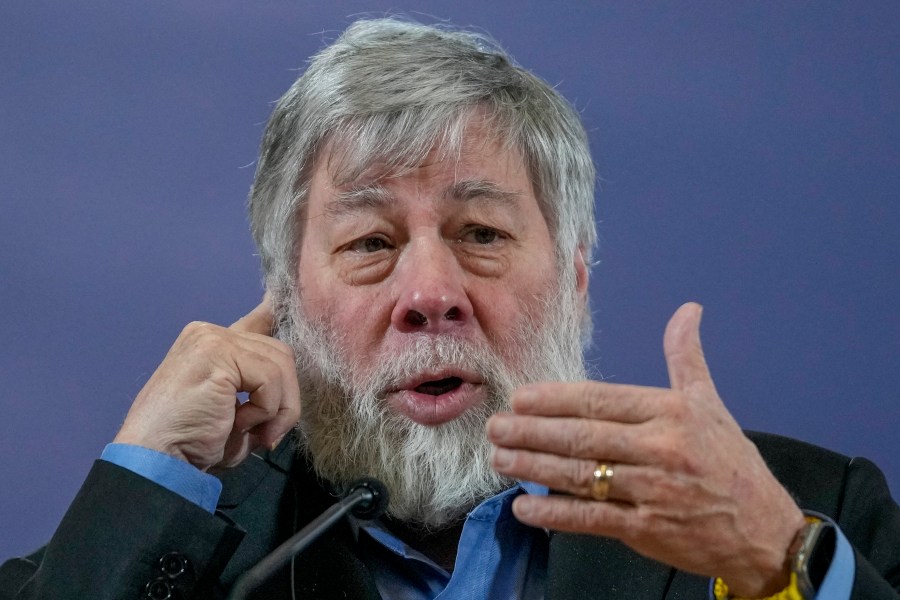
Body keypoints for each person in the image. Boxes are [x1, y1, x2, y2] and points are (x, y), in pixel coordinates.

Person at [2, 18, 898, 600]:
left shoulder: (813, 511)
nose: (430, 296)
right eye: (369, 245)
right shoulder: (171, 549)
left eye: (480, 233)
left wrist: (786, 562)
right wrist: (148, 478)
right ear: (285, 302)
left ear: (577, 278)